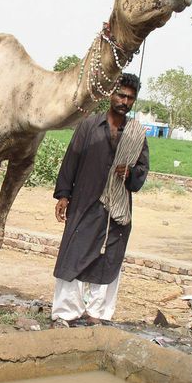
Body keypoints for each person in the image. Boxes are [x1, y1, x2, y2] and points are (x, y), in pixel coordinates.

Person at [51, 73, 149, 328]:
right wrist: (63, 195)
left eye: (130, 98)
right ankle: (66, 312)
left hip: (116, 210)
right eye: (121, 95)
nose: (125, 101)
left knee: (108, 260)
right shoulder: (88, 126)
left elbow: (142, 171)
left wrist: (130, 173)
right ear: (110, 94)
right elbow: (70, 160)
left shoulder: (136, 133)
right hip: (85, 203)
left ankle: (99, 313)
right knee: (73, 254)